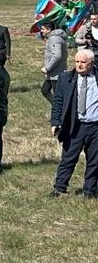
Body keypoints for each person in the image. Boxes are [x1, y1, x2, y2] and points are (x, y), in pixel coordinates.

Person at [49, 49, 98, 197]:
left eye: (83, 62)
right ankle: (59, 188)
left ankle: (89, 190)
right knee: (68, 158)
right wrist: (55, 122)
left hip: (95, 126)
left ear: (91, 63)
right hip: (75, 125)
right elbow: (58, 101)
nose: (79, 65)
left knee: (94, 160)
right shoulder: (66, 78)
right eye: (77, 62)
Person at [41, 21, 68, 102]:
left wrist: (47, 68)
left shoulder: (54, 39)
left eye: (43, 29)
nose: (41, 31)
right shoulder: (52, 38)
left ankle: (60, 108)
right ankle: (56, 107)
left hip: (56, 73)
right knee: (45, 90)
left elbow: (57, 55)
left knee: (58, 96)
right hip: (52, 73)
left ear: (49, 29)